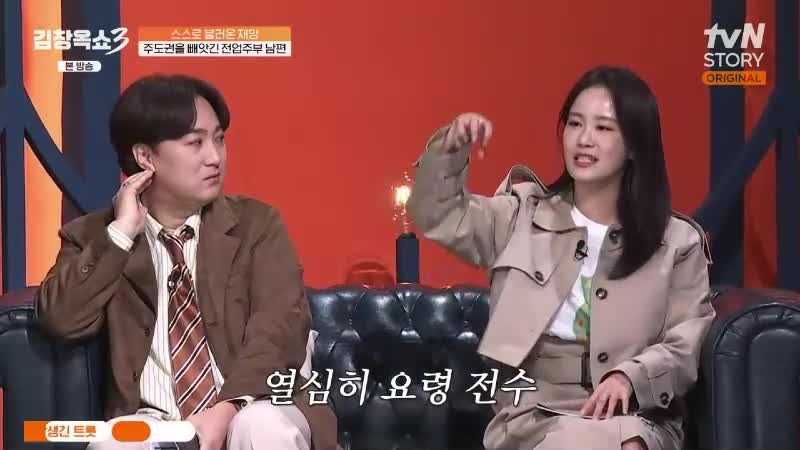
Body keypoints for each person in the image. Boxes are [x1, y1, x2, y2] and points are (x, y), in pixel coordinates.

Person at [407, 66, 715, 450]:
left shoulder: (677, 242)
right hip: (533, 413)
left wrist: (631, 377)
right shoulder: (520, 216)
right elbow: (437, 214)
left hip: (634, 412)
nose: (584, 140)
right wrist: (450, 149)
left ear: (635, 145)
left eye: (603, 128)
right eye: (575, 124)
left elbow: (685, 343)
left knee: (623, 441)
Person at [34, 74, 337, 450]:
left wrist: (227, 409)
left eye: (219, 139)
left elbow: (281, 327)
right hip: (155, 419)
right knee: (113, 443)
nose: (215, 157)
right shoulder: (95, 236)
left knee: (260, 425)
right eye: (195, 143)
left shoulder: (257, 226)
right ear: (146, 157)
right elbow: (60, 320)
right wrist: (121, 235)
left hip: (254, 403)